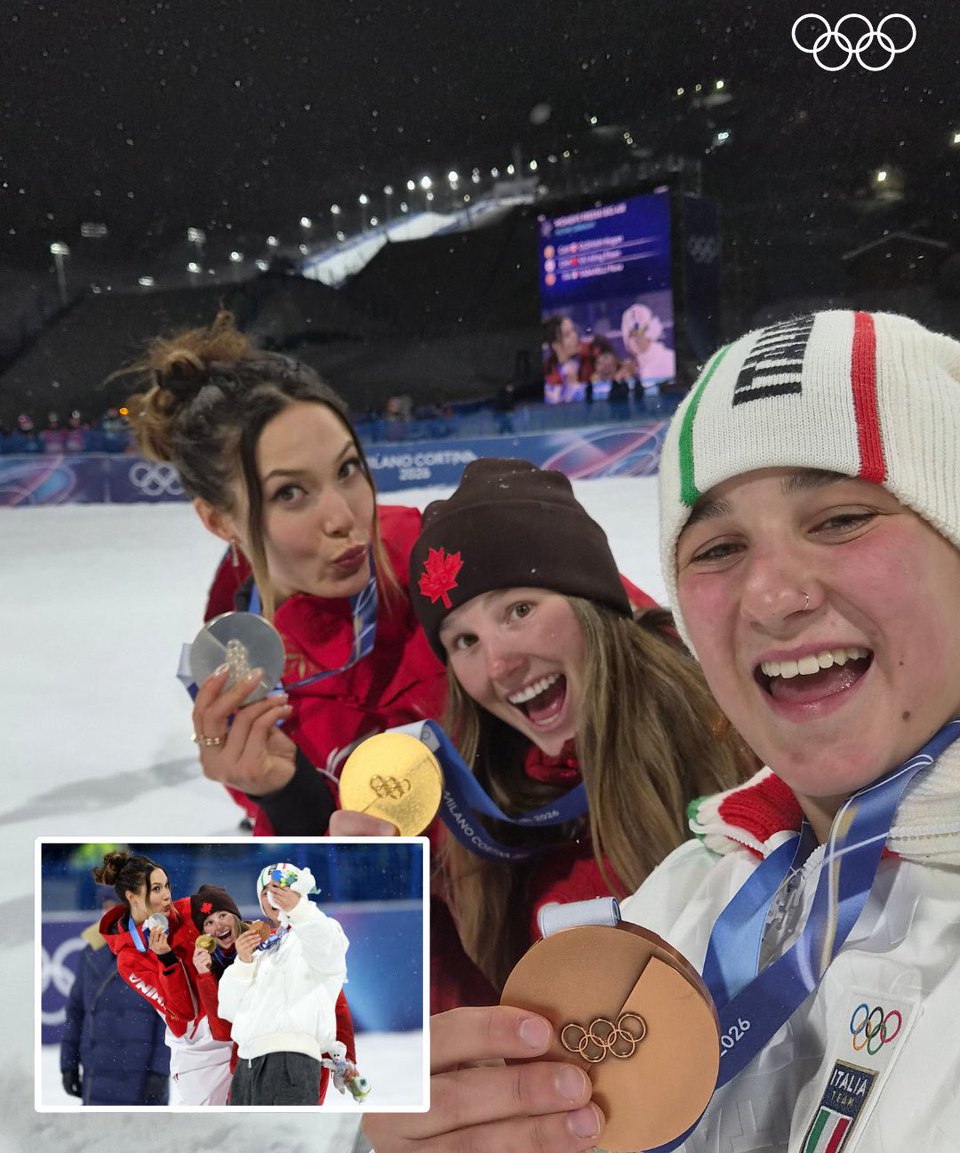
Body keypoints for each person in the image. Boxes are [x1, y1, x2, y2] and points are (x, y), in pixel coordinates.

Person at [364, 310, 960, 1152]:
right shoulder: (689, 899)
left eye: (839, 519)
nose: (771, 594)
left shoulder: (690, 779)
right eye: (718, 548)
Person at [339, 459, 752, 1009]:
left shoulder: (740, 725)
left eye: (519, 610)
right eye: (464, 641)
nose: (498, 666)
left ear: (592, 605)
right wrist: (411, 924)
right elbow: (512, 1048)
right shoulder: (485, 823)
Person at [124, 310, 446, 835]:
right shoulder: (234, 667)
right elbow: (324, 893)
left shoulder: (442, 555)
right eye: (289, 493)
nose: (343, 518)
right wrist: (284, 796)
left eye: (347, 470)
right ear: (218, 519)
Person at [189, 883, 361, 1103]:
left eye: (223, 915)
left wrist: (345, 1059)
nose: (218, 926)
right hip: (248, 1064)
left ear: (236, 915)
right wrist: (205, 976)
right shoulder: (209, 965)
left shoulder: (272, 942)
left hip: (298, 1058)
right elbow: (223, 1029)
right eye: (208, 923)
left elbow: (334, 1003)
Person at [95, 851, 234, 1106]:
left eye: (167, 885)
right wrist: (167, 959)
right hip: (200, 1058)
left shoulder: (188, 911)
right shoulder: (129, 960)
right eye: (157, 888)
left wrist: (216, 902)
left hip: (237, 1035)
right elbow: (182, 1017)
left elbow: (227, 919)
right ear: (132, 897)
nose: (167, 895)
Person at [60, 897, 171, 1106]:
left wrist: (161, 1070)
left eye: (116, 907)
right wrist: (69, 1064)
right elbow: (75, 1011)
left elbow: (168, 1017)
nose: (109, 913)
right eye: (106, 907)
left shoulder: (157, 950)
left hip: (141, 1078)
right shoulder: (90, 954)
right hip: (97, 1077)